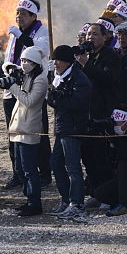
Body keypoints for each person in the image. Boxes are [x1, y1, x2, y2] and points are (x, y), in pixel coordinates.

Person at [1, 0, 50, 189]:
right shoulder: (14, 35)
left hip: (34, 89)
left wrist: (21, 37)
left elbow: (38, 51)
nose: (19, 17)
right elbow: (6, 59)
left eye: (23, 13)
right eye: (17, 13)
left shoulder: (42, 32)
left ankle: (44, 173)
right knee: (13, 133)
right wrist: (10, 69)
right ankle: (17, 173)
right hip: (13, 89)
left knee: (38, 132)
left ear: (33, 16)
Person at [78, 19, 122, 205]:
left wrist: (86, 65)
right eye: (88, 34)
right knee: (88, 156)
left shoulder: (110, 55)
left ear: (106, 36)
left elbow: (108, 79)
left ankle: (107, 196)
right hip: (87, 112)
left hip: (103, 113)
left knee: (102, 157)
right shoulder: (87, 56)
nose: (91, 37)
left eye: (95, 34)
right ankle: (95, 192)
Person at [46, 44, 93, 220]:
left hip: (73, 128)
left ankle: (77, 204)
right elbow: (53, 101)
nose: (55, 63)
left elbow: (75, 104)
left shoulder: (79, 79)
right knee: (56, 163)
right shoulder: (59, 77)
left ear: (66, 61)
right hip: (62, 127)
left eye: (58, 60)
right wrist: (54, 94)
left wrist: (58, 97)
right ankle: (66, 199)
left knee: (73, 168)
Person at [1, 45, 48, 217]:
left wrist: (12, 87)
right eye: (22, 60)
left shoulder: (40, 79)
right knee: (20, 168)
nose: (24, 64)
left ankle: (34, 203)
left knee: (29, 169)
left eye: (28, 61)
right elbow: (5, 67)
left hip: (29, 128)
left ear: (35, 63)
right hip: (18, 127)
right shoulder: (26, 75)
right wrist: (11, 70)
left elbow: (29, 101)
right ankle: (28, 199)